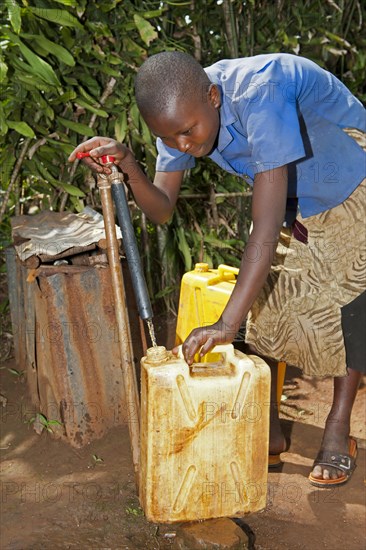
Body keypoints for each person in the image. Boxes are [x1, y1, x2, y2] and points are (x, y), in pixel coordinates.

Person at [69, 51, 366, 488]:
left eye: (188, 133)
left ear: (213, 96)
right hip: (288, 196)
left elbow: (263, 225)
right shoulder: (176, 119)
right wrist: (129, 168)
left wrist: (226, 323)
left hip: (349, 174)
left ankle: (338, 427)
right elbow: (163, 209)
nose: (183, 146)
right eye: (169, 139)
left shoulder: (261, 90)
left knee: (348, 306)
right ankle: (268, 433)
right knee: (264, 311)